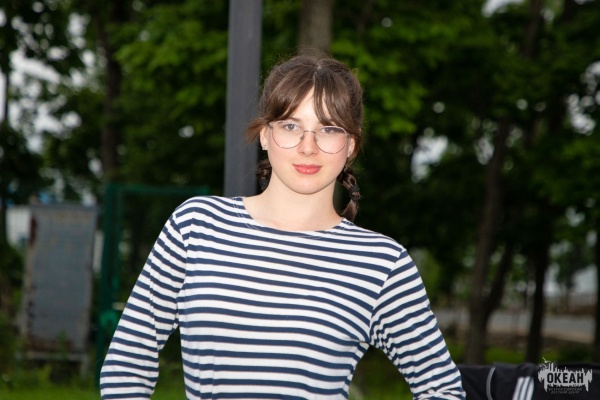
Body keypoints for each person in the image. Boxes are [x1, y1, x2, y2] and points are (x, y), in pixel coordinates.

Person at [100, 53, 465, 400]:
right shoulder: (196, 226)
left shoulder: (381, 263)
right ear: (264, 134)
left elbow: (443, 388)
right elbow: (127, 363)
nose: (308, 147)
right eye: (291, 126)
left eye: (328, 129)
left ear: (351, 145)